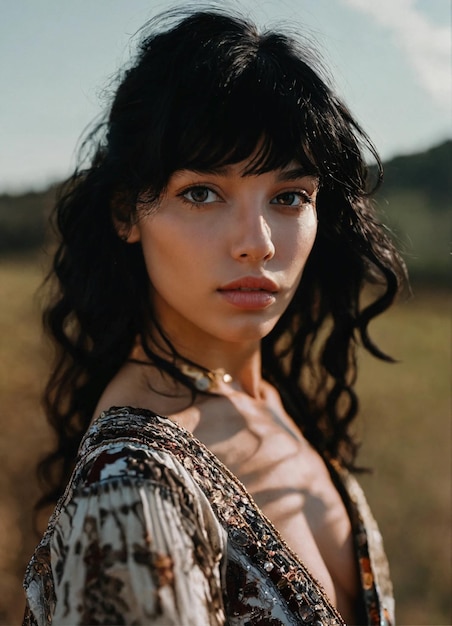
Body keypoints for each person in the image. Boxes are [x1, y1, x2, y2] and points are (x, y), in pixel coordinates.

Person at [23, 8, 407, 626]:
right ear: (127, 213)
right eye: (202, 192)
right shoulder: (133, 485)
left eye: (289, 197)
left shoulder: (271, 401)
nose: (257, 242)